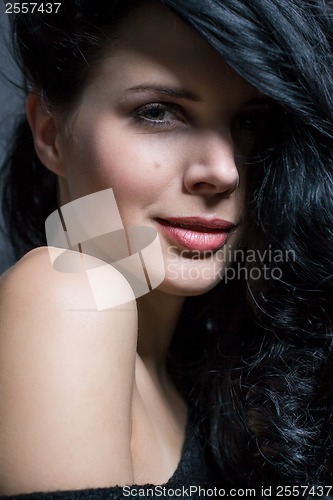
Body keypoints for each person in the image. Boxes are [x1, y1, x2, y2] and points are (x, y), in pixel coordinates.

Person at [0, 0, 332, 498]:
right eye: (158, 113)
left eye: (249, 123)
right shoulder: (69, 292)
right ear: (50, 136)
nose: (222, 170)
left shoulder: (209, 372)